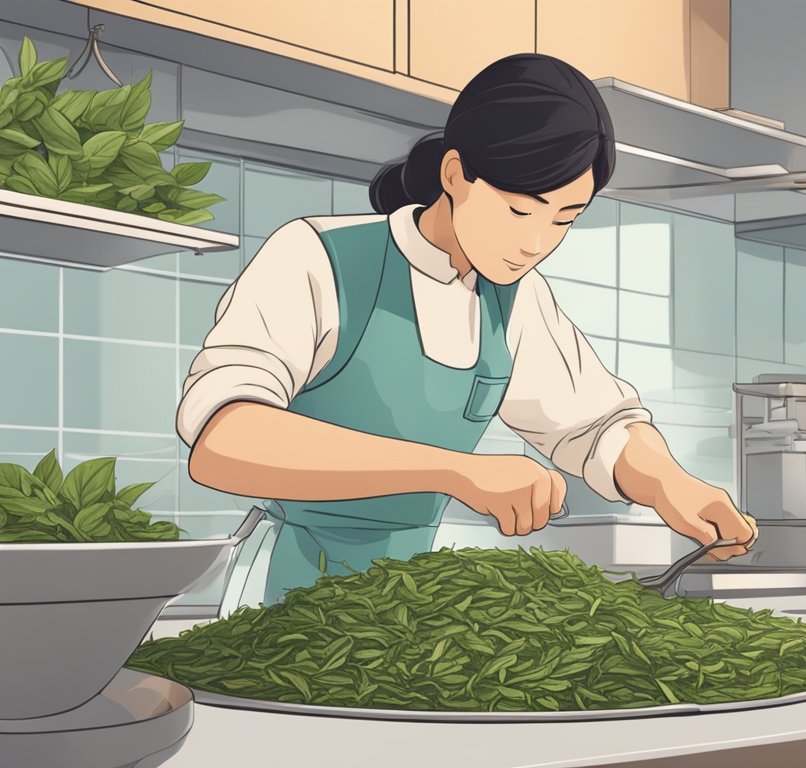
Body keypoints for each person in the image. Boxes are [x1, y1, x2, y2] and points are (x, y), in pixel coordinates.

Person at [176, 53, 757, 605]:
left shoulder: (515, 299)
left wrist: (668, 484)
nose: (535, 244)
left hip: (404, 604)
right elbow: (224, 442)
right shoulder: (316, 256)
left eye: (564, 220)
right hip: (286, 593)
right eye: (519, 210)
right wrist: (457, 471)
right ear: (456, 174)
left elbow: (594, 423)